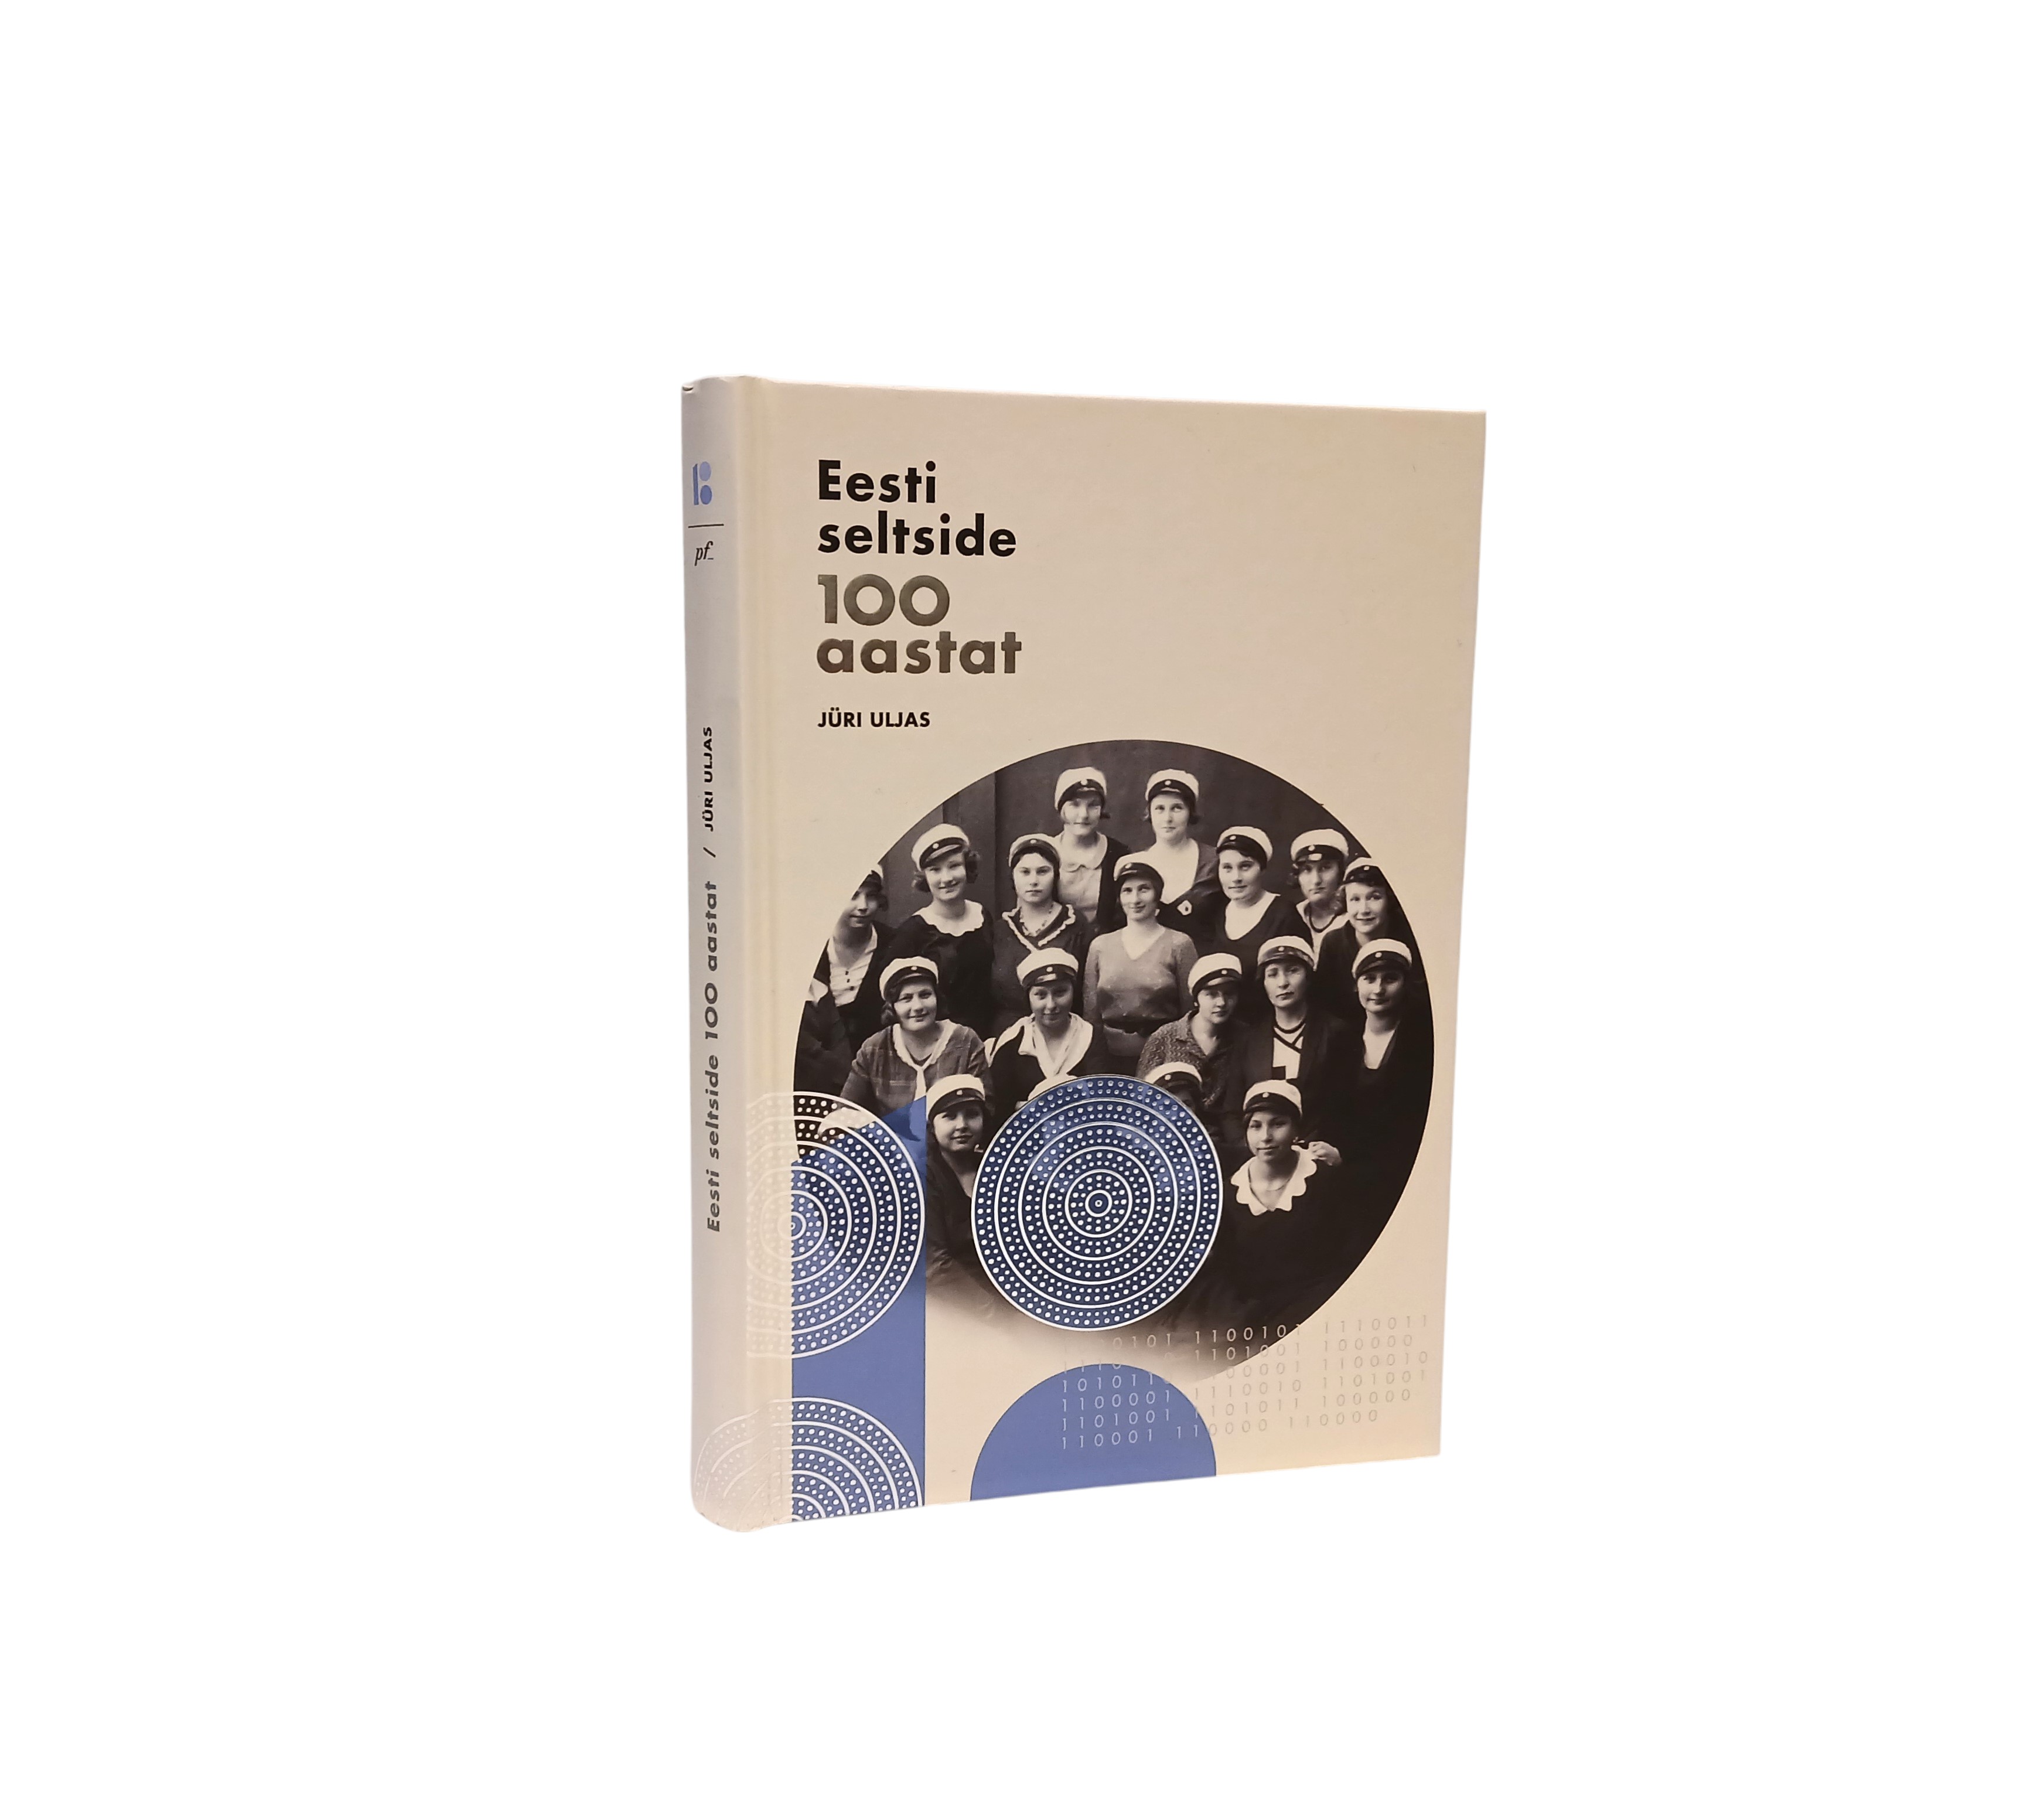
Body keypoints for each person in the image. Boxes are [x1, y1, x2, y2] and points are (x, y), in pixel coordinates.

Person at [1192, 1080, 1367, 1332]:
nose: (1266, 1137)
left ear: (1296, 1130)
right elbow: (1224, 1270)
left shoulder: (1324, 1181)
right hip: (1249, 1313)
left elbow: (1347, 1259)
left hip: (1315, 1308)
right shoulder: (1230, 1193)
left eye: (1278, 1124)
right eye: (1256, 1126)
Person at [1209, 936, 1356, 1147]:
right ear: (1263, 982)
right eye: (1273, 974)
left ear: (1308, 977)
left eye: (1293, 971)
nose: (1283, 983)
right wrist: (1250, 1148)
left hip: (1317, 1151)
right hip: (1261, 1152)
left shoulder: (1336, 1033)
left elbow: (1347, 1107)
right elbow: (1231, 1112)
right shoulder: (1249, 1040)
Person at [1331, 938, 1434, 1194]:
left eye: (1390, 979)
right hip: (1345, 1167)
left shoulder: (1424, 1042)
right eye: (1369, 979)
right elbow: (1333, 1113)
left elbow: (1415, 1124)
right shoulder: (1342, 1041)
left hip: (1403, 1170)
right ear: (1356, 985)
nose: (1378, 989)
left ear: (1405, 984)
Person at [879, 823, 998, 1038]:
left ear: (967, 867)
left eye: (954, 866)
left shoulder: (982, 916)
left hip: (987, 1037)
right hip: (939, 1042)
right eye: (935, 870)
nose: (947, 878)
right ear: (924, 876)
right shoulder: (913, 932)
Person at [1081, 853, 1198, 1072]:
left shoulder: (1180, 944)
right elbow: (1091, 1014)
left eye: (1144, 889)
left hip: (1164, 1056)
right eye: (1127, 891)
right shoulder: (1100, 946)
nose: (1135, 899)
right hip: (1109, 1058)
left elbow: (1190, 1013)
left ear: (1157, 894)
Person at [840, 956, 988, 1121]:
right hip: (891, 1137)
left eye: (925, 995)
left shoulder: (965, 1041)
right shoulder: (874, 1049)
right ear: (892, 1007)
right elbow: (845, 1111)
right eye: (906, 998)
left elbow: (985, 1107)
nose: (918, 1007)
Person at [987, 947, 1106, 1120]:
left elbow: (1100, 1102)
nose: (1051, 1005)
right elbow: (1000, 1112)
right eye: (1041, 995)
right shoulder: (1013, 1042)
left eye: (1060, 993)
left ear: (1073, 991)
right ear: (1028, 997)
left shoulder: (1090, 1036)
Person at [989, 833, 1093, 1032]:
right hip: (1008, 1034)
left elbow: (1087, 994)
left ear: (1056, 876)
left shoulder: (1075, 925)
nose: (1034, 881)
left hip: (1065, 1032)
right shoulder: (1001, 930)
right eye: (1025, 872)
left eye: (1043, 871)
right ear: (1013, 876)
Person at [1187, 825, 1294, 1011]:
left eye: (1245, 867)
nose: (1236, 877)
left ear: (1262, 869)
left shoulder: (1283, 913)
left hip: (1267, 1020)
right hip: (1222, 1019)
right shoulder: (1216, 911)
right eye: (1227, 868)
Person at [922, 1073, 1002, 1313]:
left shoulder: (997, 1169)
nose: (962, 1125)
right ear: (932, 1126)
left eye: (972, 1114)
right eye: (950, 1116)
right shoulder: (924, 1178)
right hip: (955, 1304)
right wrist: (995, 1313)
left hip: (1007, 1292)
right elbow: (935, 1265)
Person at [1313, 854, 1420, 1017]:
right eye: (1355, 899)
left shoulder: (1412, 938)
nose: (1364, 910)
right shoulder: (1333, 943)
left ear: (1390, 900)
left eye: (1375, 898)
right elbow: (1324, 1004)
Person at [813, 867, 897, 1050]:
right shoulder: (811, 947)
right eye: (853, 895)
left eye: (871, 896)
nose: (863, 906)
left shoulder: (894, 944)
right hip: (823, 1060)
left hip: (880, 1056)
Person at [1136, 952, 1243, 1093]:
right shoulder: (1165, 1037)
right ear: (1196, 999)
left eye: (1229, 994)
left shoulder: (1244, 1037)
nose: (1222, 1003)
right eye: (1211, 995)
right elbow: (1141, 1093)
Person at [1049, 766, 1134, 933]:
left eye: (1093, 805)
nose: (1084, 815)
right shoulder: (1045, 852)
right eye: (1075, 805)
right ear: (1061, 808)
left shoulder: (1119, 854)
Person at [1140, 768, 1219, 924]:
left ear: (1190, 812)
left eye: (1177, 808)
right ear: (1150, 813)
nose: (1168, 818)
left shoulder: (1214, 860)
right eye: (1160, 808)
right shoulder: (1136, 862)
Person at [1287, 829, 1351, 966]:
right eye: (1307, 870)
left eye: (1325, 868)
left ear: (1341, 872)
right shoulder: (1291, 915)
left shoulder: (1354, 917)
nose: (1316, 880)